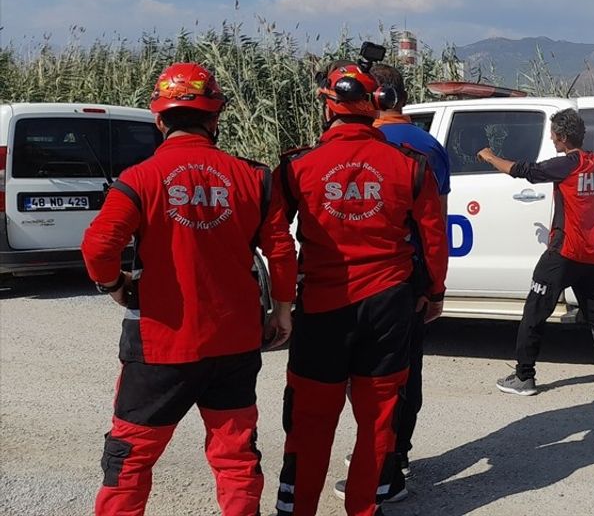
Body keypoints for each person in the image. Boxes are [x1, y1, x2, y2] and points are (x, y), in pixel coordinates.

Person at [81, 62, 298, 516]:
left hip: (161, 344)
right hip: (234, 341)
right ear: (215, 118)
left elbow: (99, 245)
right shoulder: (255, 178)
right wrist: (281, 310)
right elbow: (280, 251)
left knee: (132, 454)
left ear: (159, 120)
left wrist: (114, 284)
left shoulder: (138, 178)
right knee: (236, 454)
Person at [273, 61, 448, 516]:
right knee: (377, 420)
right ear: (376, 108)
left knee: (310, 418)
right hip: (389, 306)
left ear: (327, 109)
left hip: (322, 307)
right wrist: (435, 290)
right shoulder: (411, 166)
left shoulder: (297, 166)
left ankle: (298, 507)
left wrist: (281, 301)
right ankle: (364, 508)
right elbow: (433, 237)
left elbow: (275, 238)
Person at [477, 108, 594, 399]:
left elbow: (523, 171)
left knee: (533, 313)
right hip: (589, 256)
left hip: (563, 254)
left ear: (562, 137)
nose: (551, 139)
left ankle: (524, 377)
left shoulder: (566, 165)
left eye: (552, 135)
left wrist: (489, 157)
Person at [332, 63, 451, 503]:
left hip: (345, 278)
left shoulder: (350, 143)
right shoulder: (429, 147)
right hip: (407, 279)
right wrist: (435, 286)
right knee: (402, 371)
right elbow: (435, 222)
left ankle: (372, 458)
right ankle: (394, 455)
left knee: (349, 376)